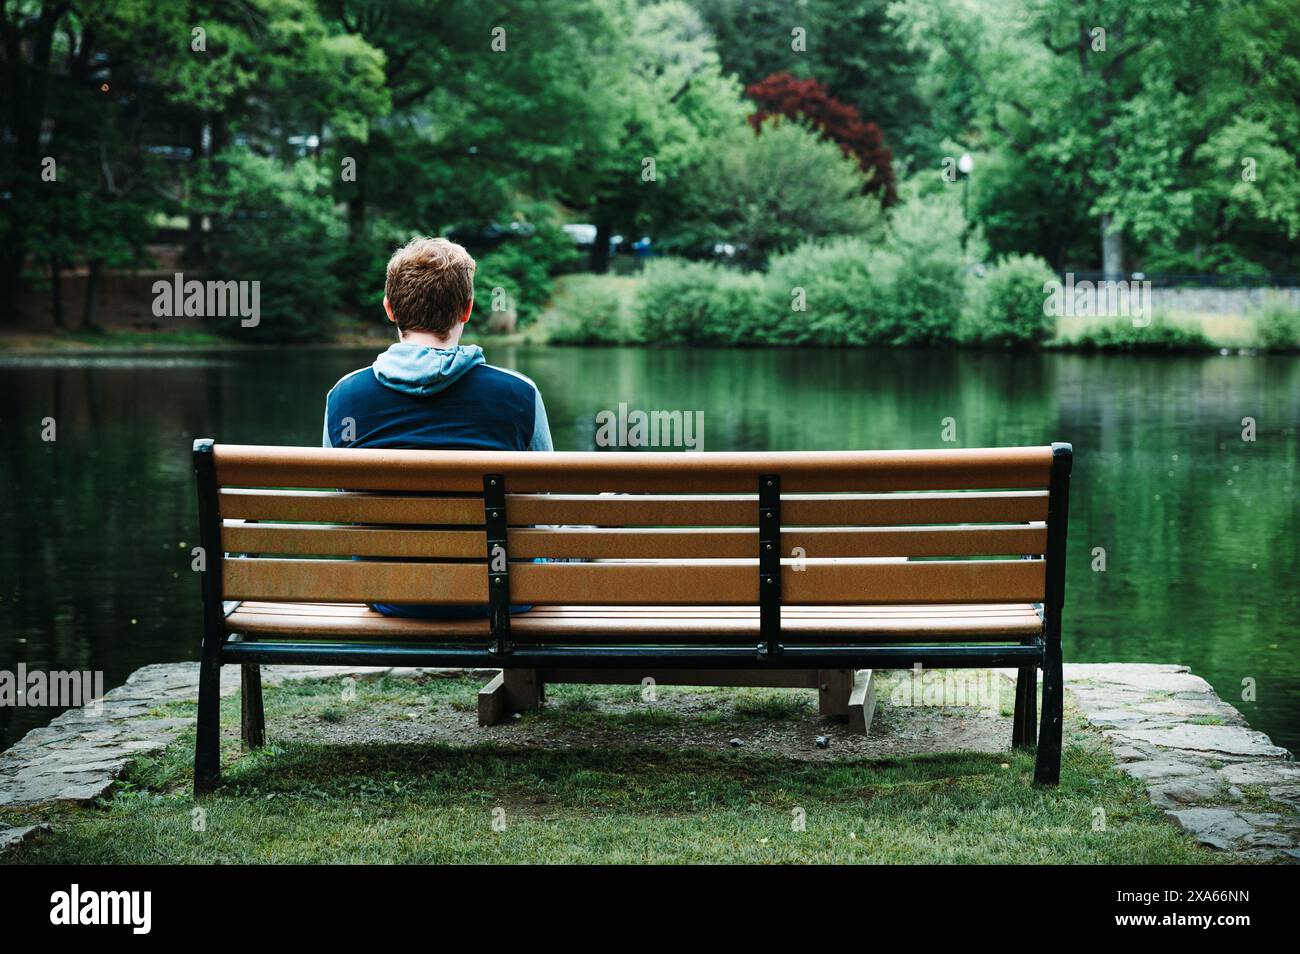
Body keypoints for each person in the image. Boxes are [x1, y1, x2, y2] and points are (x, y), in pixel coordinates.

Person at [322, 236, 552, 618]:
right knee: (576, 539)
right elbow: (544, 500)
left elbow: (343, 501)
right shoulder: (519, 393)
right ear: (467, 309)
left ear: (389, 308)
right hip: (502, 592)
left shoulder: (345, 397)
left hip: (393, 593)